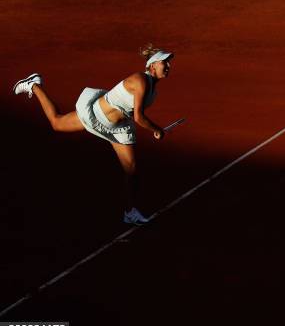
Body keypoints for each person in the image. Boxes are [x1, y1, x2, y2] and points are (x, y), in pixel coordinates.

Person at [12, 44, 174, 225]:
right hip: (97, 116)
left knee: (132, 170)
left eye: (168, 63)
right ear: (152, 65)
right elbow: (139, 116)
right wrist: (157, 129)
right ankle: (34, 84)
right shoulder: (141, 81)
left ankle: (129, 212)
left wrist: (153, 129)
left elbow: (132, 114)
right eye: (164, 63)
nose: (168, 66)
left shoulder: (153, 90)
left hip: (119, 129)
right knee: (57, 122)